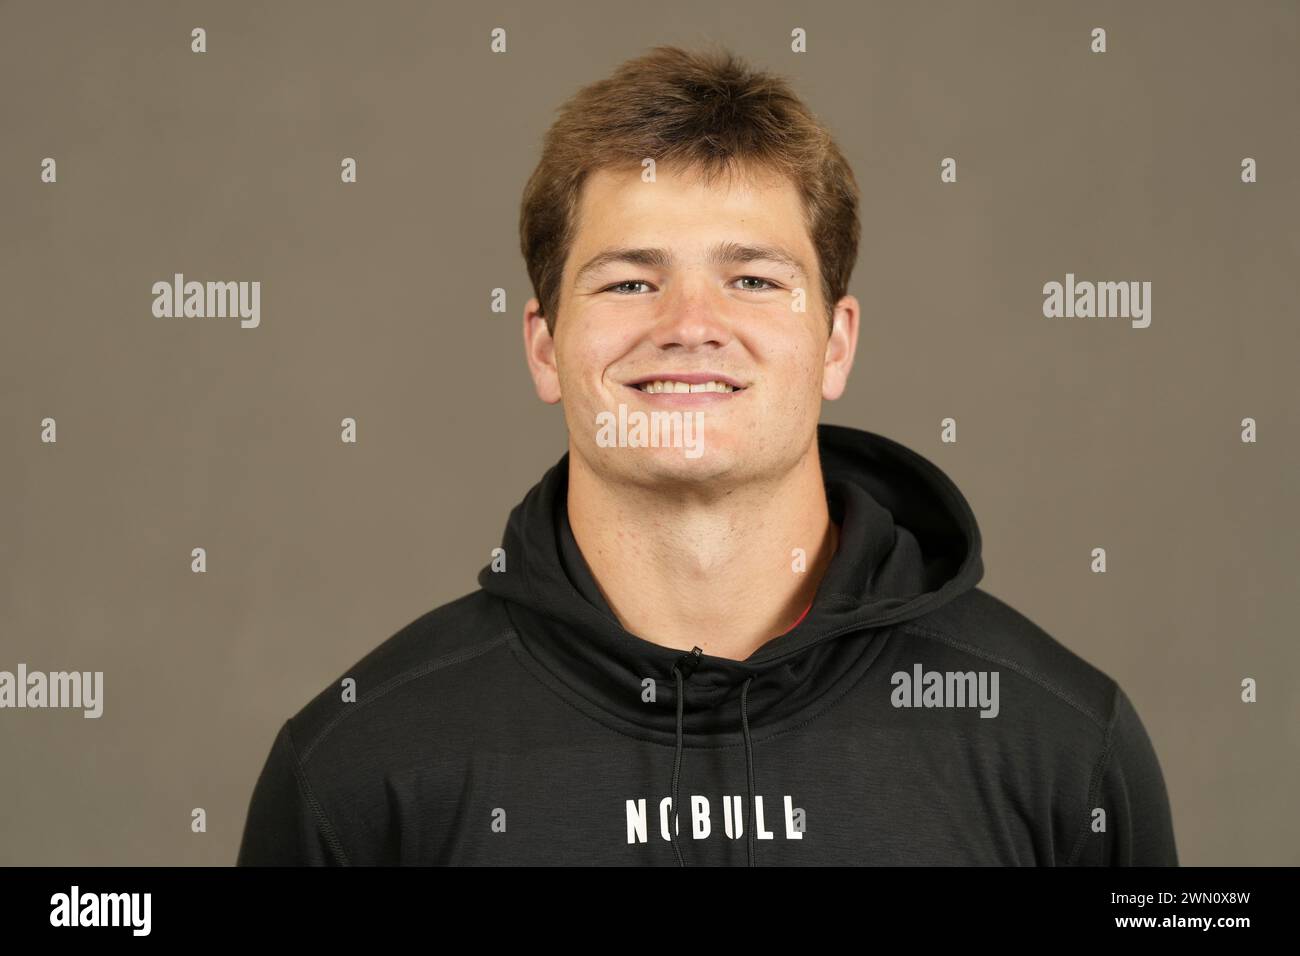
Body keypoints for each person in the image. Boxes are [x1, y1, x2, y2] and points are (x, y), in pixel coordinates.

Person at [237, 45, 1177, 866]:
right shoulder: (362, 765)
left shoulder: (1056, 742)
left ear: (837, 344)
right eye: (631, 279)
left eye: (754, 279)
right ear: (543, 346)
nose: (691, 327)